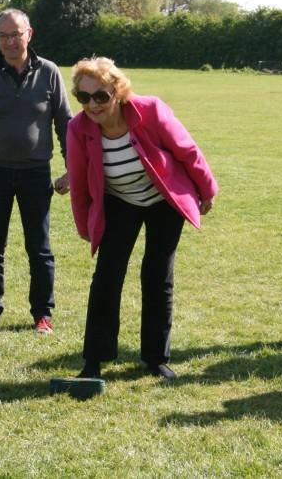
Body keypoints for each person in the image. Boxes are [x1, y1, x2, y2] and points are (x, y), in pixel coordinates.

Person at [67, 57, 218, 380]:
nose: (92, 105)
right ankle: (95, 359)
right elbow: (79, 184)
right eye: (84, 97)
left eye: (100, 96)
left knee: (157, 274)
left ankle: (155, 358)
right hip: (119, 201)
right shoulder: (77, 128)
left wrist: (207, 190)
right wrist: (85, 226)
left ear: (117, 91)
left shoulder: (150, 110)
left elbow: (187, 151)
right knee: (107, 277)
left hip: (163, 199)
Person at [0, 8, 72, 335]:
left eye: (15, 34)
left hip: (37, 174)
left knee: (40, 247)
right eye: (2, 36)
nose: (9, 41)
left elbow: (66, 126)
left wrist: (73, 170)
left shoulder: (49, 73)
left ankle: (43, 314)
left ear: (29, 34)